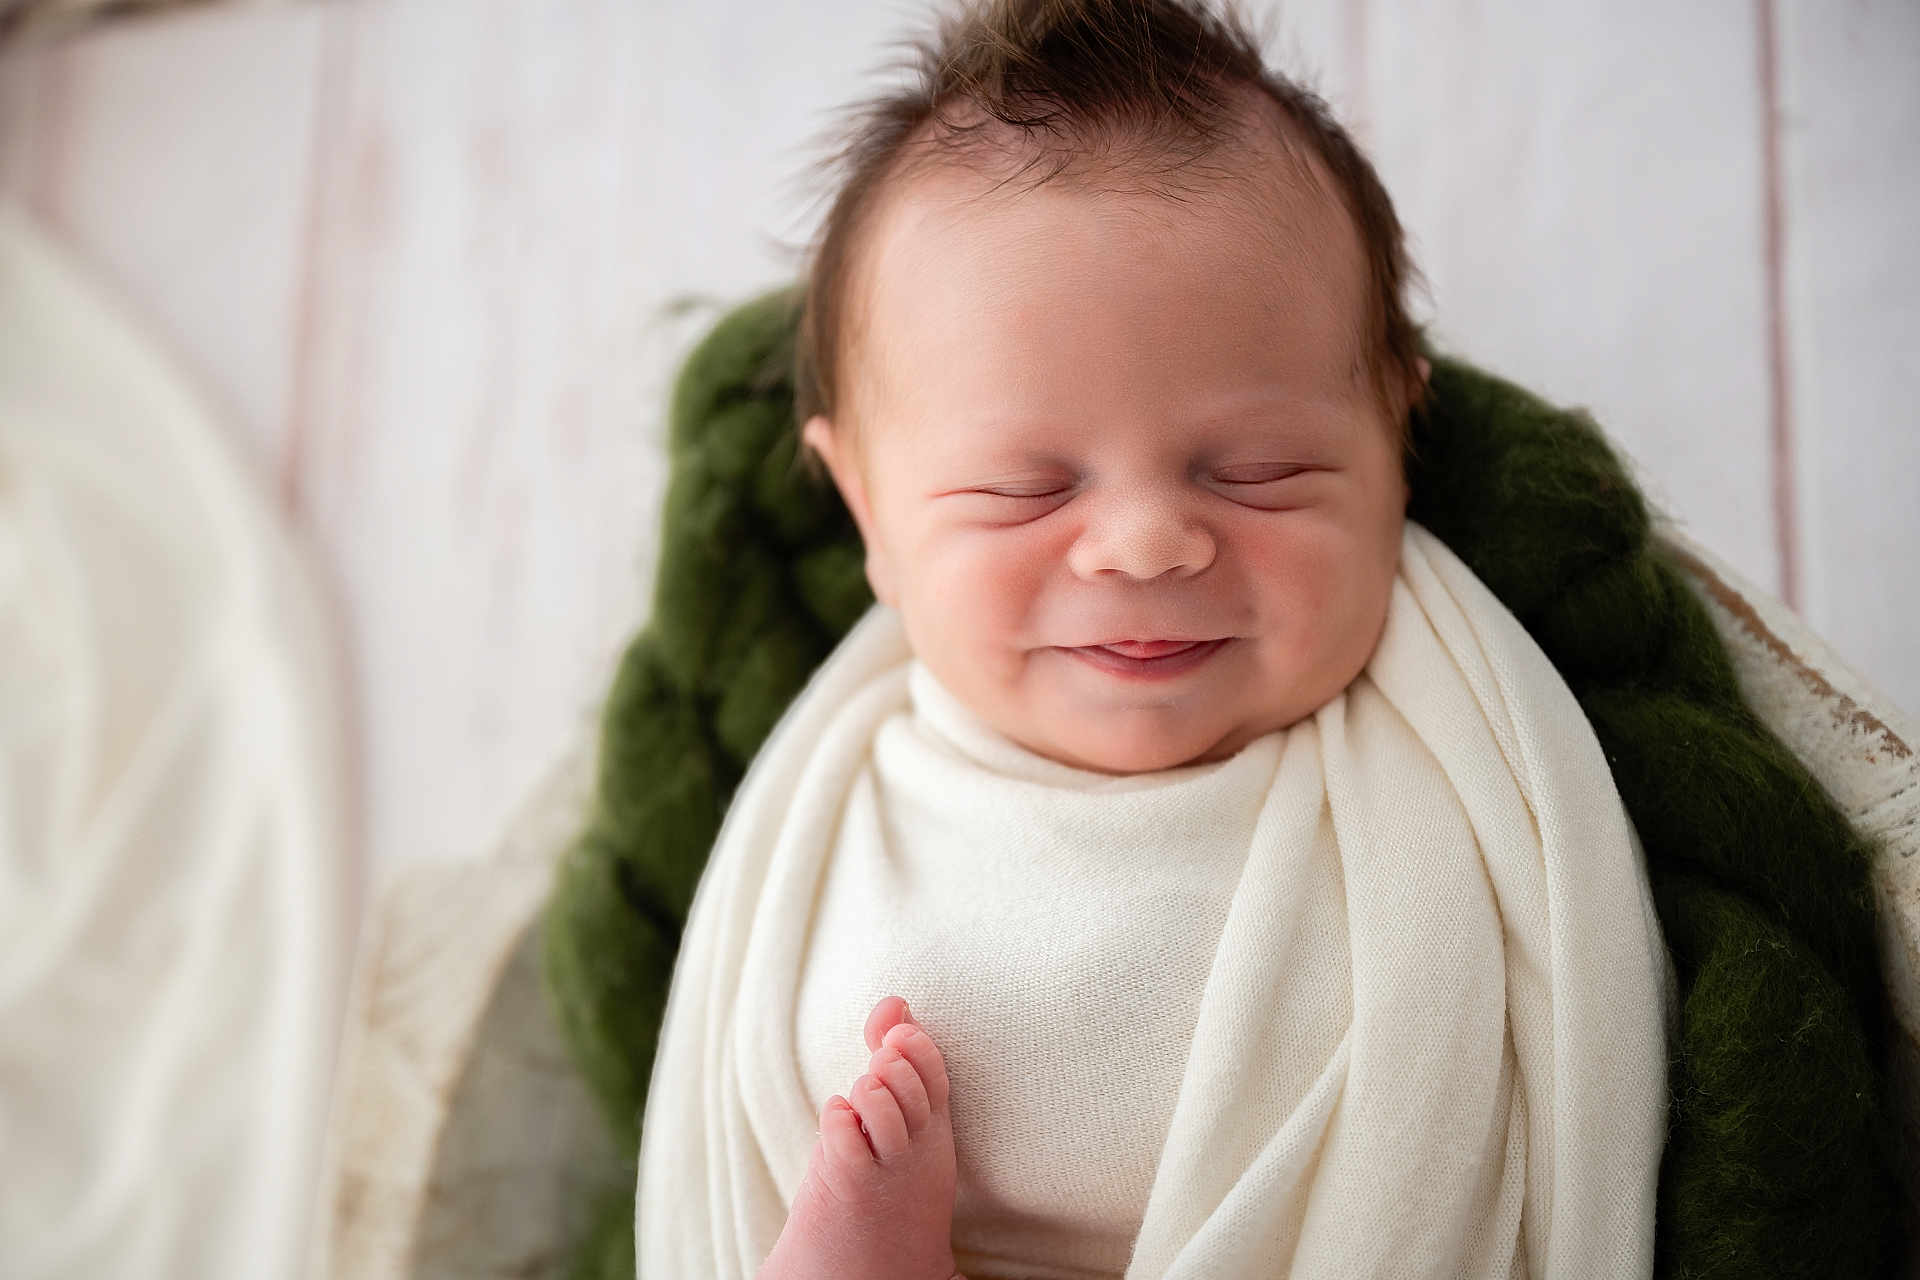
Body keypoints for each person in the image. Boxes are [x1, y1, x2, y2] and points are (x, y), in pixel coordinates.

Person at [634, 1, 1672, 1276]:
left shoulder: (1452, 765)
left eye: (1261, 470)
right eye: (1023, 488)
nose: (1144, 545)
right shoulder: (843, 792)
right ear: (868, 511)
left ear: (1398, 445)